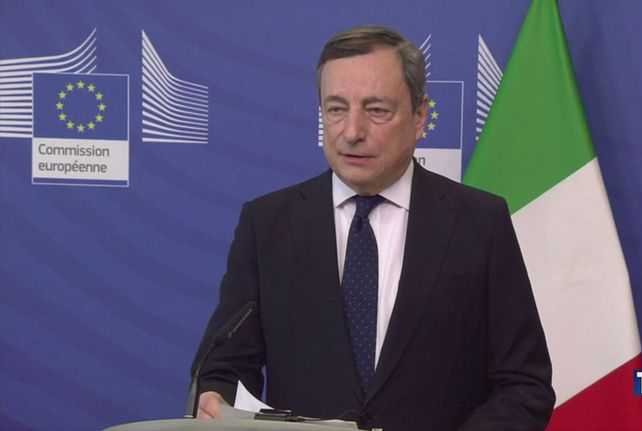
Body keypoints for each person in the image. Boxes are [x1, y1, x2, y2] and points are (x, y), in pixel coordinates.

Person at [192, 24, 555, 430]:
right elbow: (223, 366)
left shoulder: (480, 223)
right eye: (336, 109)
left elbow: (524, 384)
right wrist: (215, 397)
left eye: (376, 110)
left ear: (420, 116)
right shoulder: (267, 224)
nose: (352, 132)